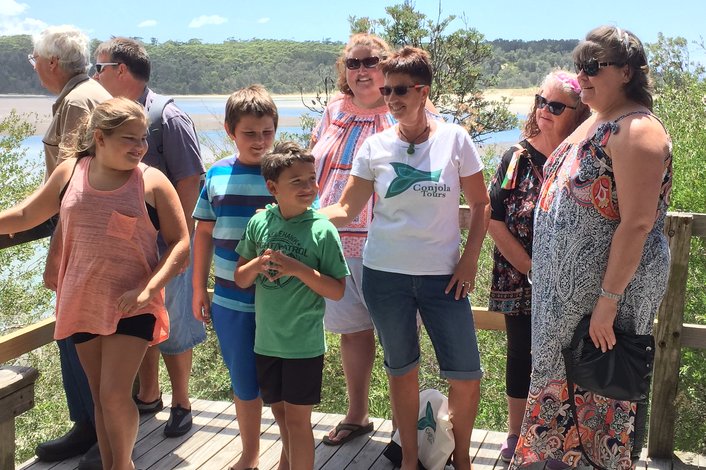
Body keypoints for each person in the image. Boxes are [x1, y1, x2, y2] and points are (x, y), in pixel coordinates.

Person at [509, 26, 672, 470]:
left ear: (626, 72)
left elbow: (638, 223)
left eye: (593, 66)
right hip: (567, 303)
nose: (582, 75)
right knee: (565, 401)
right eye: (579, 66)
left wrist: (607, 302)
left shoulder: (638, 129)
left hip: (603, 304)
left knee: (599, 398)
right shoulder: (597, 119)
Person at [320, 46, 489, 470]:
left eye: (399, 90)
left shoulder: (455, 139)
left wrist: (469, 260)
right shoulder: (375, 147)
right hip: (385, 276)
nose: (391, 99)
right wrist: (296, 218)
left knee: (466, 375)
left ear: (423, 91)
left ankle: (462, 459)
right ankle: (410, 459)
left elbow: (481, 205)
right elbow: (346, 208)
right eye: (386, 90)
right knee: (402, 369)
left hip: (444, 278)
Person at [0, 97, 190, 470]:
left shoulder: (151, 181)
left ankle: (122, 465)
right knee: (100, 398)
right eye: (129, 139)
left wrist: (149, 289)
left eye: (143, 138)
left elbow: (181, 243)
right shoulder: (70, 171)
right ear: (100, 138)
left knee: (115, 395)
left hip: (133, 303)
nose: (140, 147)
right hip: (81, 302)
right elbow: (25, 214)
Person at [93, 37, 206, 440]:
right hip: (129, 251)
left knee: (174, 328)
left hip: (166, 249)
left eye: (99, 68)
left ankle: (182, 403)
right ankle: (149, 395)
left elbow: (190, 180)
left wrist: (182, 243)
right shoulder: (115, 117)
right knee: (140, 324)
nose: (95, 76)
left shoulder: (166, 117)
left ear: (120, 70)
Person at [487, 70, 590, 463]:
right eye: (541, 101)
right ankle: (517, 435)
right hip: (519, 278)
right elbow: (494, 218)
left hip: (571, 282)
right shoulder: (515, 158)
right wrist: (533, 269)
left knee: (569, 357)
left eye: (557, 106)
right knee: (521, 356)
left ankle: (563, 439)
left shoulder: (584, 158)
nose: (545, 110)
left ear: (579, 113)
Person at [22, 25, 112, 463]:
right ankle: (90, 427)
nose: (34, 66)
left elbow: (73, 186)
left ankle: (99, 434)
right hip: (91, 234)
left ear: (53, 62)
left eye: (35, 59)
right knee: (82, 331)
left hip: (83, 237)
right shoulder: (87, 94)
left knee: (78, 331)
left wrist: (57, 246)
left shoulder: (78, 102)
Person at [234, 141, 350, 470]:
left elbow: (337, 291)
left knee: (298, 421)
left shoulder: (322, 230)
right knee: (280, 414)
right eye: (296, 181)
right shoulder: (259, 224)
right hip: (267, 342)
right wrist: (257, 264)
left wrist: (297, 269)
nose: (308, 187)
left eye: (312, 179)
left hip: (303, 345)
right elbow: (240, 278)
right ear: (273, 188)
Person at [309, 32, 391, 446]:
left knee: (397, 336)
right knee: (352, 331)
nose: (362, 70)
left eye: (370, 61)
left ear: (386, 66)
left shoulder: (402, 109)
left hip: (387, 245)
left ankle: (406, 428)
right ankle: (357, 414)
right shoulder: (334, 110)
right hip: (334, 242)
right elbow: (311, 167)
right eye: (353, 63)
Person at [191, 85, 278, 470]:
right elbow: (203, 233)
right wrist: (199, 288)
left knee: (283, 385)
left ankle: (290, 455)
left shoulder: (286, 174)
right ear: (230, 131)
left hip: (280, 301)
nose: (260, 141)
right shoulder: (217, 174)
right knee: (243, 382)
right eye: (249, 133)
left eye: (267, 132)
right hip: (229, 301)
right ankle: (250, 454)